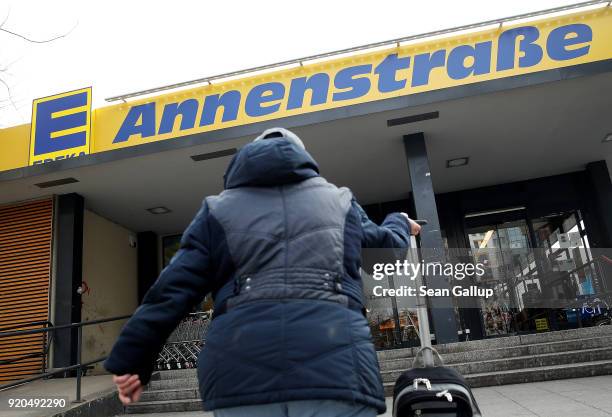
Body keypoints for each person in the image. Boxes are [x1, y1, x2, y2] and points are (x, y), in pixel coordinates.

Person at [104, 127, 421, 417]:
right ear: (303, 159)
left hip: (241, 380)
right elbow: (386, 253)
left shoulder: (218, 211)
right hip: (338, 372)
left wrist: (133, 361)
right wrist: (400, 220)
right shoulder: (340, 204)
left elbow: (170, 293)